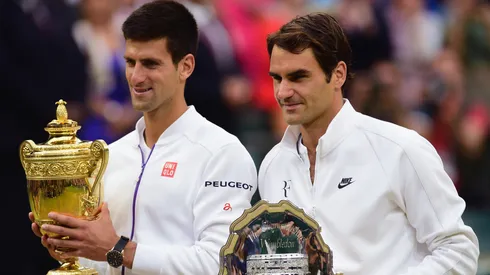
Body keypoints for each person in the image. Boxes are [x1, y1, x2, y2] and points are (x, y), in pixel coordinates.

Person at [29, 1, 257, 274]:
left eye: (150, 63)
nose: (136, 76)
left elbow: (220, 263)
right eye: (130, 62)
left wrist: (117, 249)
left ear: (185, 66)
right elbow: (104, 259)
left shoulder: (223, 153)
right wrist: (73, 250)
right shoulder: (109, 156)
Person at [257, 12, 480, 275]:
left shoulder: (401, 149)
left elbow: (459, 250)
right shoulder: (272, 165)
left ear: (338, 74)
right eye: (277, 78)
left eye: (298, 77)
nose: (283, 91)